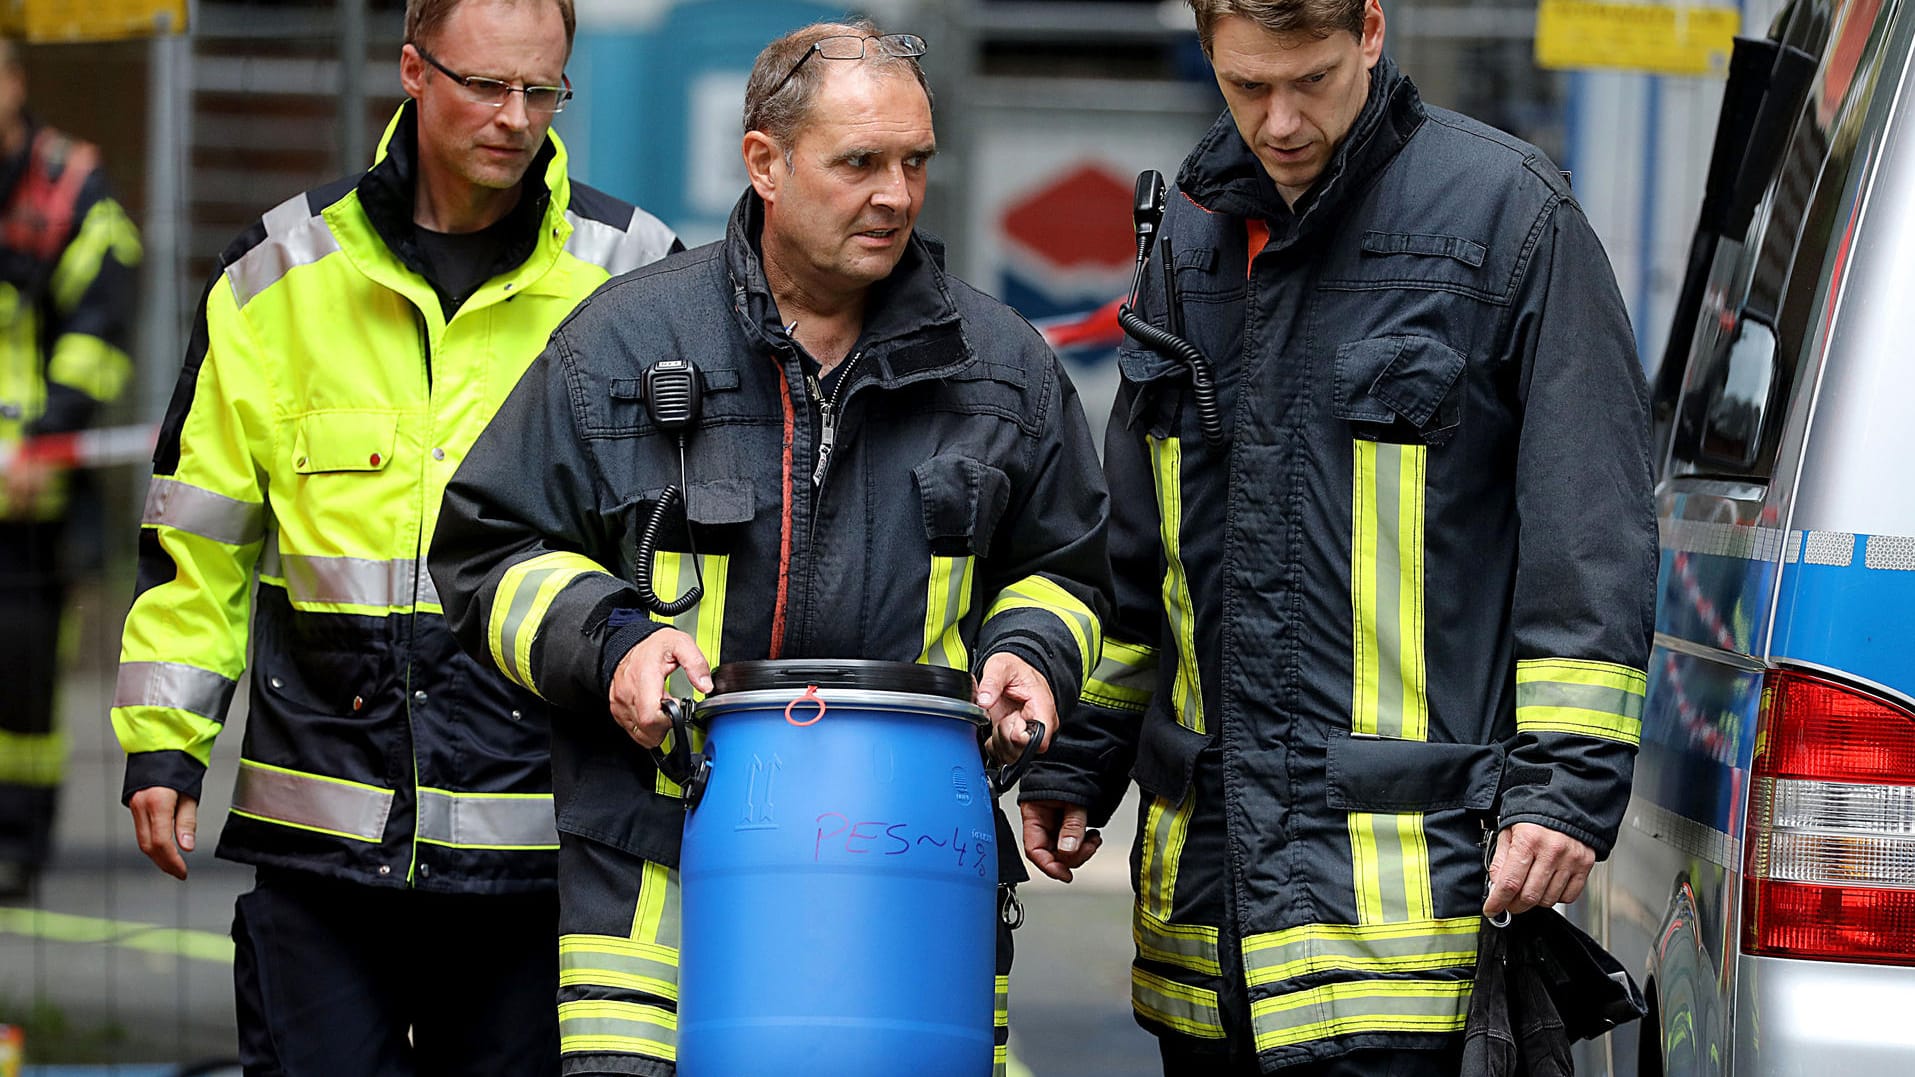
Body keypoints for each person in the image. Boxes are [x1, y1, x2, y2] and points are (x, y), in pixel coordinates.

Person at [428, 20, 1109, 1076]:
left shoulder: (998, 369)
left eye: (914, 161)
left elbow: (1067, 565)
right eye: (859, 163)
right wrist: (613, 645)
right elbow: (490, 549)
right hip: (660, 887)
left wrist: (1030, 651)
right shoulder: (624, 344)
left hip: (904, 877)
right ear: (764, 163)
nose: (895, 193)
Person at [1018, 0, 1658, 1073]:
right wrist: (1083, 758)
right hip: (1211, 925)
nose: (1277, 122)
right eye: (1244, 85)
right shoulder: (1188, 234)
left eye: (1309, 80)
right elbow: (1144, 550)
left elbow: (1588, 531)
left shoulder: (1507, 218)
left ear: (1368, 29)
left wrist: (1564, 792)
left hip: (1408, 916)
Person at [110, 0, 678, 1070]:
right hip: (325, 838)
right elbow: (203, 538)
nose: (517, 118)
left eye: (542, 90)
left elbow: (684, 545)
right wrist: (164, 743)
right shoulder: (277, 274)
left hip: (541, 843)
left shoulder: (635, 273)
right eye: (486, 86)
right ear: (414, 71)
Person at [0, 35, 141, 900]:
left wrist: (47, 436)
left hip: (30, 492)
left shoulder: (68, 190)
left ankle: (16, 845)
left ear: (15, 82)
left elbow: (99, 327)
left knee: (20, 684)